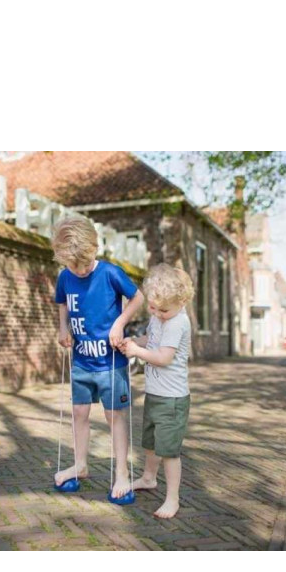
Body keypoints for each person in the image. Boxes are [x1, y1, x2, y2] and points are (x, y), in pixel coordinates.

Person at [52, 217, 144, 497]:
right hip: (81, 361)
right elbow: (62, 302)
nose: (79, 271)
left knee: (114, 416)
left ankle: (122, 473)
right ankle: (80, 465)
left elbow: (138, 298)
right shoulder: (65, 276)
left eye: (83, 265)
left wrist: (119, 323)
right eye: (73, 266)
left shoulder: (110, 273)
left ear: (93, 249)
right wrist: (63, 327)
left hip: (110, 364)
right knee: (79, 413)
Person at [119, 264, 193, 519]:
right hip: (155, 393)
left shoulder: (177, 323)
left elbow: (163, 357)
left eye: (163, 310)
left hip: (172, 400)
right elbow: (150, 341)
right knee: (150, 443)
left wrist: (137, 352)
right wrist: (133, 342)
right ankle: (149, 478)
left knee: (168, 451)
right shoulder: (160, 316)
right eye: (152, 308)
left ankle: (173, 499)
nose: (158, 314)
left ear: (181, 302)